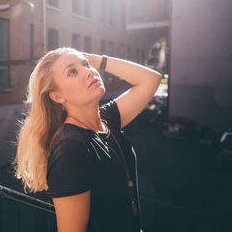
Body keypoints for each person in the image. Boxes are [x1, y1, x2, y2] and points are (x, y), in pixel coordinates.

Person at [15, 47, 161, 232]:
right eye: (72, 72)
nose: (88, 71)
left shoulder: (108, 119)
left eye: (86, 65)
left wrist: (98, 60)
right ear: (57, 96)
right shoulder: (70, 147)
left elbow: (150, 80)